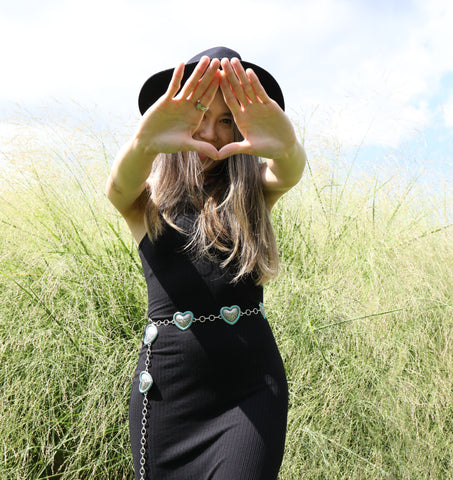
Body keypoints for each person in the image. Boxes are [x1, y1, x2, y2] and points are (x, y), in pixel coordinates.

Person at [105, 46, 306, 480]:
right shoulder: (148, 203)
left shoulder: (252, 195)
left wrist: (286, 145)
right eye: (200, 115)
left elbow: (287, 172)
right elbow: (117, 188)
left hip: (250, 395)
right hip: (167, 399)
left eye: (227, 119)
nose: (213, 133)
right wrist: (144, 142)